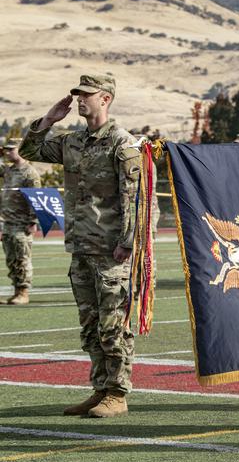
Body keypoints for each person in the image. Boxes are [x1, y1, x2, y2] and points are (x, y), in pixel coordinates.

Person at [20, 74, 141, 418]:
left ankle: (117, 393)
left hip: (110, 249)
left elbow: (133, 198)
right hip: (81, 247)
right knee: (90, 325)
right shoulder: (72, 141)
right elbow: (29, 150)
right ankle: (100, 388)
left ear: (105, 99)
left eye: (85, 94)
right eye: (77, 94)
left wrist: (127, 243)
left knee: (113, 323)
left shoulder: (122, 143)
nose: (79, 99)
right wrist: (48, 121)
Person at [1, 138, 41, 305]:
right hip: (8, 222)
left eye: (11, 150)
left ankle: (24, 292)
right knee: (11, 258)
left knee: (22, 258)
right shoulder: (8, 171)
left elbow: (36, 198)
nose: (8, 153)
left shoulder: (29, 173)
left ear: (20, 150)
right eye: (6, 150)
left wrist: (33, 221)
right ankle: (16, 291)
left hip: (22, 222)